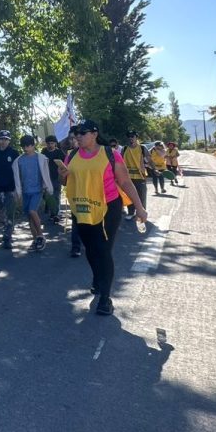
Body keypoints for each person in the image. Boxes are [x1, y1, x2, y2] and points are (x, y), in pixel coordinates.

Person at [55, 119, 148, 316]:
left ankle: (105, 298)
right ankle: (98, 278)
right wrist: (62, 174)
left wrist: (139, 208)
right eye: (76, 133)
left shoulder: (110, 154)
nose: (78, 136)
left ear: (94, 134)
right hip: (82, 208)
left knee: (104, 250)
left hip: (108, 209)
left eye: (83, 133)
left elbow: (125, 182)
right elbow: (65, 182)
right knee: (90, 249)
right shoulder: (72, 156)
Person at [12, 135, 53, 250]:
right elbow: (17, 177)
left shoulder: (41, 158)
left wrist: (47, 187)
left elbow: (46, 174)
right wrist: (18, 192)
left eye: (28, 146)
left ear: (33, 145)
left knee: (32, 211)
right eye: (24, 146)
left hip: (37, 190)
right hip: (25, 191)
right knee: (29, 216)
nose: (26, 148)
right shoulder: (19, 161)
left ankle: (40, 235)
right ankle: (35, 239)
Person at [122, 131, 150, 219]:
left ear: (136, 137)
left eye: (132, 136)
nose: (130, 138)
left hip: (140, 177)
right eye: (129, 136)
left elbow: (149, 160)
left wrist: (155, 169)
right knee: (129, 195)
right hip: (128, 178)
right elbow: (120, 162)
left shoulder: (142, 148)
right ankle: (131, 213)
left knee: (141, 196)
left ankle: (142, 213)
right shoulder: (124, 149)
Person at [65, 130, 83, 258]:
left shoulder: (93, 152)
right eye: (70, 139)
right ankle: (75, 247)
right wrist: (62, 173)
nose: (72, 141)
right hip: (75, 193)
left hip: (92, 194)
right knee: (76, 221)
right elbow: (64, 178)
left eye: (74, 138)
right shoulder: (70, 155)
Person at [40, 135, 66, 226]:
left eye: (52, 143)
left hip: (56, 177)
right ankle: (51, 210)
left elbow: (65, 163)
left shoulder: (59, 152)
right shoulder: (44, 151)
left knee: (56, 195)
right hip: (46, 177)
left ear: (55, 144)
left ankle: (55, 214)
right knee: (47, 195)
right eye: (49, 143)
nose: (50, 145)